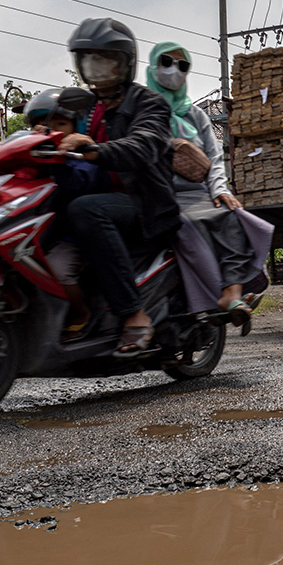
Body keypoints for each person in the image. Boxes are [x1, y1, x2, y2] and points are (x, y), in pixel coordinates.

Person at [58, 18, 180, 357]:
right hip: (103, 197)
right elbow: (50, 128)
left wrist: (97, 150)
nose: (97, 69)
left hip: (144, 206)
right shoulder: (85, 106)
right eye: (89, 61)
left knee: (85, 210)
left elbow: (145, 144)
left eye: (105, 60)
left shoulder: (149, 103)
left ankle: (134, 315)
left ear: (124, 63)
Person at [145, 41, 270, 334]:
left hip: (197, 194)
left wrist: (219, 190)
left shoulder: (195, 115)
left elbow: (214, 158)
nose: (174, 70)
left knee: (232, 216)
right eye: (166, 61)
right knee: (193, 225)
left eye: (182, 65)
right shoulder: (144, 109)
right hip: (161, 194)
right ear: (152, 66)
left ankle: (233, 291)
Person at [20, 88, 109, 340]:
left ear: (76, 126)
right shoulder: (35, 156)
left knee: (59, 270)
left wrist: (58, 159)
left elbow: (79, 183)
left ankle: (80, 313)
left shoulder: (83, 155)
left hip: (71, 237)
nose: (51, 129)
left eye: (60, 123)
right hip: (39, 233)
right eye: (41, 124)